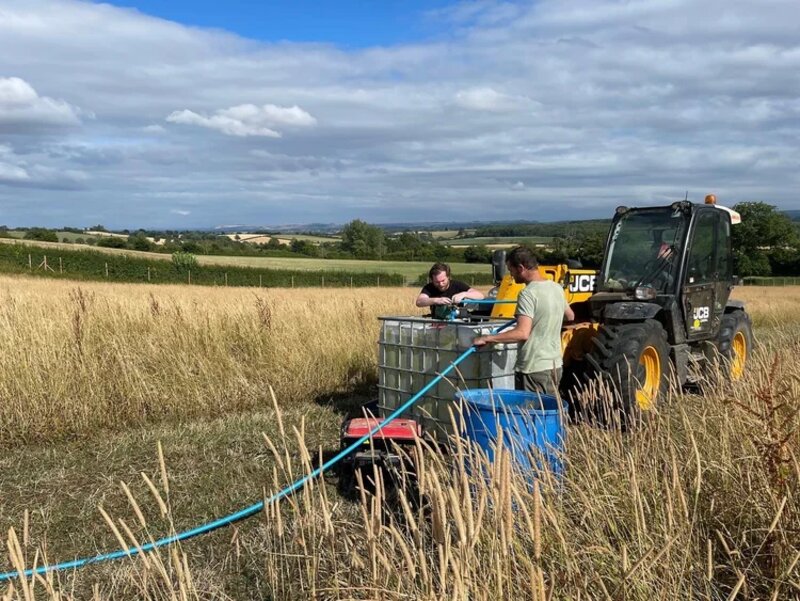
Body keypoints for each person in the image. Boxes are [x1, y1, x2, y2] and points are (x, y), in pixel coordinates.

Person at [473, 247, 574, 395]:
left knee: (530, 415)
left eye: (511, 270)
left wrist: (488, 338)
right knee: (548, 412)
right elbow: (570, 316)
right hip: (555, 365)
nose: (511, 275)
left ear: (521, 268)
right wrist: (547, 320)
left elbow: (522, 333)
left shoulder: (528, 293)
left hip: (533, 368)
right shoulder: (556, 288)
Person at [416, 263, 484, 318]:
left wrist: (463, 294)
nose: (441, 284)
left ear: (448, 277)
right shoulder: (429, 287)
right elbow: (419, 302)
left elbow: (480, 296)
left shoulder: (457, 285)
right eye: (437, 282)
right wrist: (436, 300)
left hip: (460, 322)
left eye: (443, 280)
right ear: (432, 280)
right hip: (437, 322)